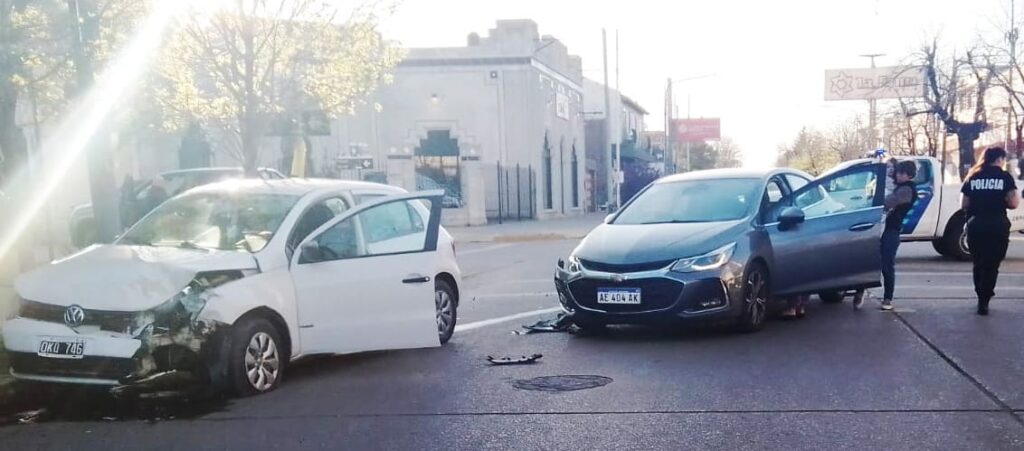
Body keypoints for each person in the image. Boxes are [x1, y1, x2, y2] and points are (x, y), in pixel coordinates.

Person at [961, 147, 1021, 315]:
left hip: (976, 224)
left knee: (978, 262)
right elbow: (1014, 203)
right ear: (1000, 159)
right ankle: (985, 299)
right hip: (997, 224)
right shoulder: (1005, 177)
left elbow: (964, 204)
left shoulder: (973, 177)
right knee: (992, 264)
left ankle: (979, 293)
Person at [875, 160, 917, 311]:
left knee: (887, 264)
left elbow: (887, 203)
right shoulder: (899, 187)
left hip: (891, 230)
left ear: (909, 175)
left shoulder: (906, 189)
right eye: (897, 172)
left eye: (901, 173)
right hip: (885, 229)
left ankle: (888, 298)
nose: (897, 175)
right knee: (876, 262)